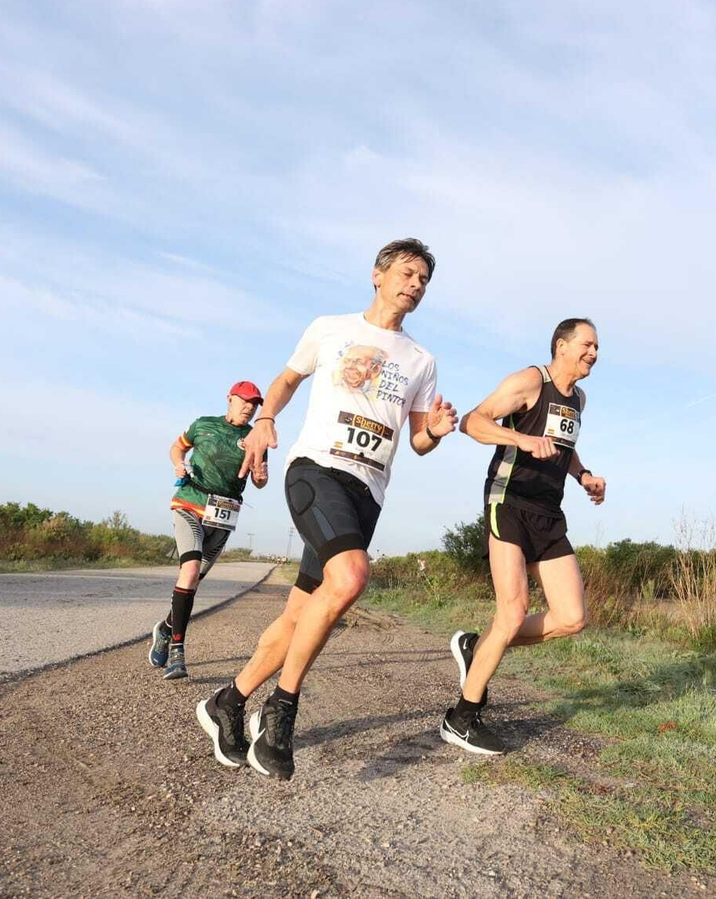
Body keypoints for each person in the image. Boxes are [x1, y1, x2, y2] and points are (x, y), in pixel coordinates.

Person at [195, 238, 459, 778]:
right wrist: (265, 419)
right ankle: (282, 710)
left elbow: (418, 442)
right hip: (316, 471)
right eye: (407, 273)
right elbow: (288, 379)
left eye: (424, 280)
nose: (415, 285)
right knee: (351, 577)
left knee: (299, 616)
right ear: (378, 275)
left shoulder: (422, 361)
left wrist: (434, 430)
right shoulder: (331, 328)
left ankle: (230, 699)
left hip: (368, 491)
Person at [442, 318, 605, 754]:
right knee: (512, 612)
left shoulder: (579, 400)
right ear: (562, 345)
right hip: (508, 501)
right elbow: (474, 422)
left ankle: (478, 646)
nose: (594, 353)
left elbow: (564, 449)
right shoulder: (531, 381)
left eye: (597, 347)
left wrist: (583, 474)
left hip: (549, 512)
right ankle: (461, 718)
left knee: (572, 617)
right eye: (587, 344)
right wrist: (521, 439)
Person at [148, 381, 269, 679]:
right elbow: (177, 447)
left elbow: (259, 480)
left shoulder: (256, 438)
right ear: (230, 399)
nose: (249, 407)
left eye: (255, 404)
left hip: (224, 516)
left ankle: (165, 629)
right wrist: (179, 463)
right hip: (190, 503)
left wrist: (260, 475)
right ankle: (178, 653)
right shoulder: (203, 425)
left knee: (192, 583)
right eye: (245, 401)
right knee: (188, 573)